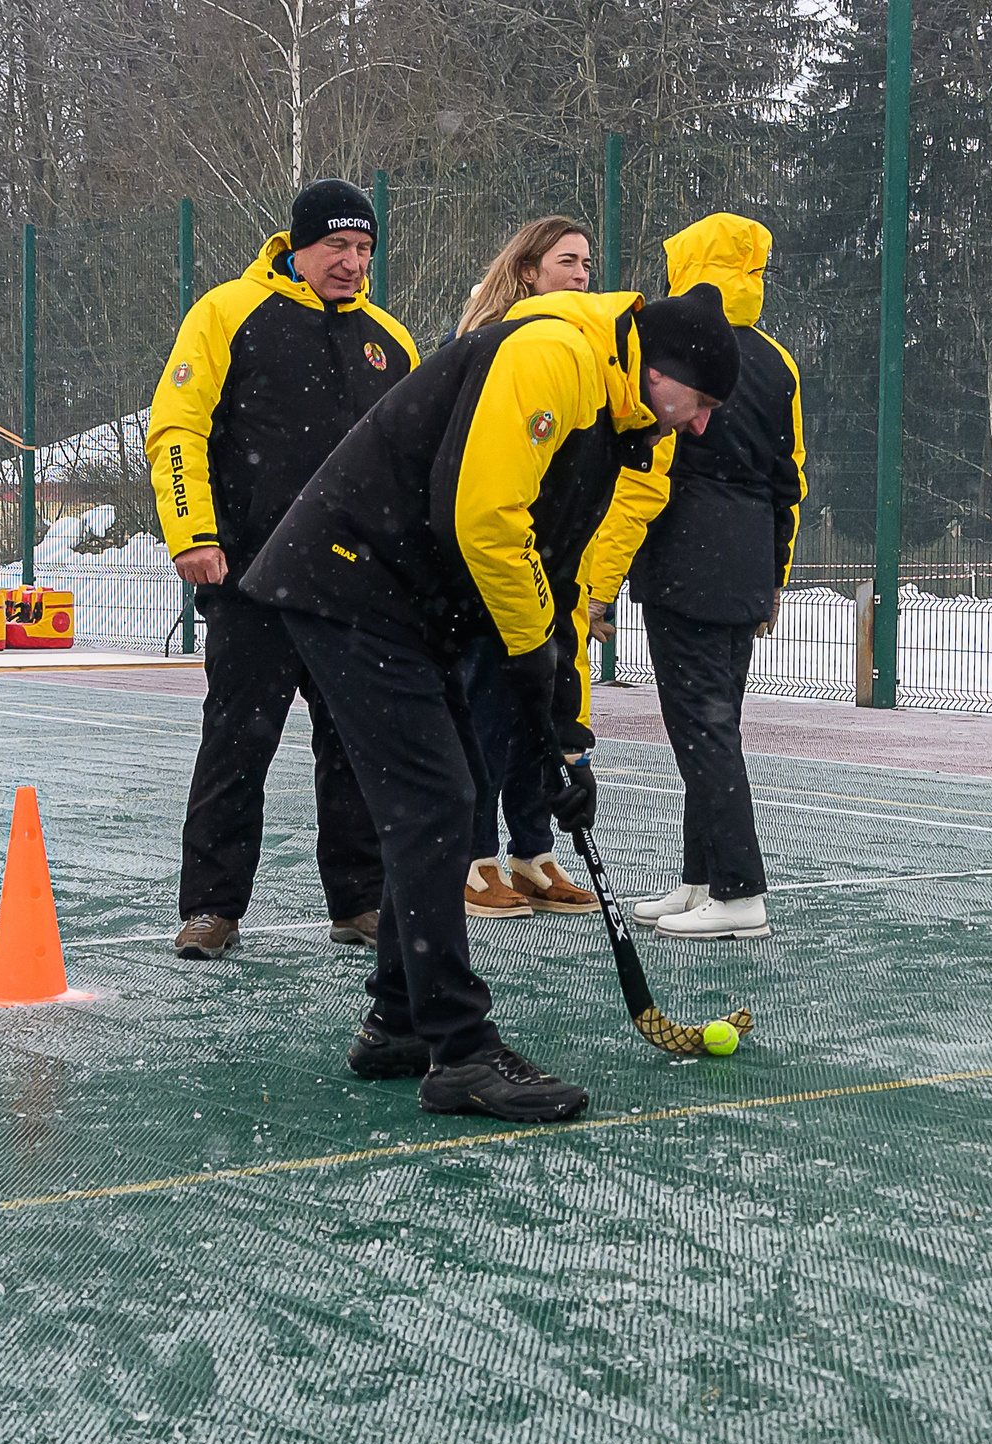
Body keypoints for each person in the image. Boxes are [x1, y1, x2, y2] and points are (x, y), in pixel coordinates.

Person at [242, 283, 740, 1121]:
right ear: (663, 372)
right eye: (701, 403)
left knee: (450, 790)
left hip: (415, 602)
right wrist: (524, 656)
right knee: (434, 801)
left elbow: (564, 575)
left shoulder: (622, 426)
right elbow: (482, 518)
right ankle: (459, 1051)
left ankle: (400, 1020)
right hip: (353, 579)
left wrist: (559, 726)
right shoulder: (556, 359)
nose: (700, 427)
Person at [146, 179, 418, 961]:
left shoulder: (391, 342)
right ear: (296, 246)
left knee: (358, 750)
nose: (352, 262)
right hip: (251, 580)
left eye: (364, 249)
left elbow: (413, 464)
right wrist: (193, 534)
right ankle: (210, 908)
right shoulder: (228, 312)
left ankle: (361, 903)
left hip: (355, 589)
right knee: (237, 744)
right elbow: (176, 428)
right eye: (337, 245)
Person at [580, 213, 804, 941]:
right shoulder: (777, 363)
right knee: (715, 726)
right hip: (741, 567)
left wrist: (599, 581)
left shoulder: (669, 351)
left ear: (688, 268)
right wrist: (774, 576)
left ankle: (739, 892)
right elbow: (787, 480)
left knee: (701, 730)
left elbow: (641, 478)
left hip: (684, 560)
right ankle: (701, 879)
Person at [443, 217, 603, 923]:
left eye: (588, 264)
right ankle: (473, 861)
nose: (580, 273)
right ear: (529, 271)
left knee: (544, 708)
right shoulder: (493, 345)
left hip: (551, 561)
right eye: (565, 260)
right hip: (489, 561)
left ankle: (532, 853)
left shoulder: (583, 352)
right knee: (486, 708)